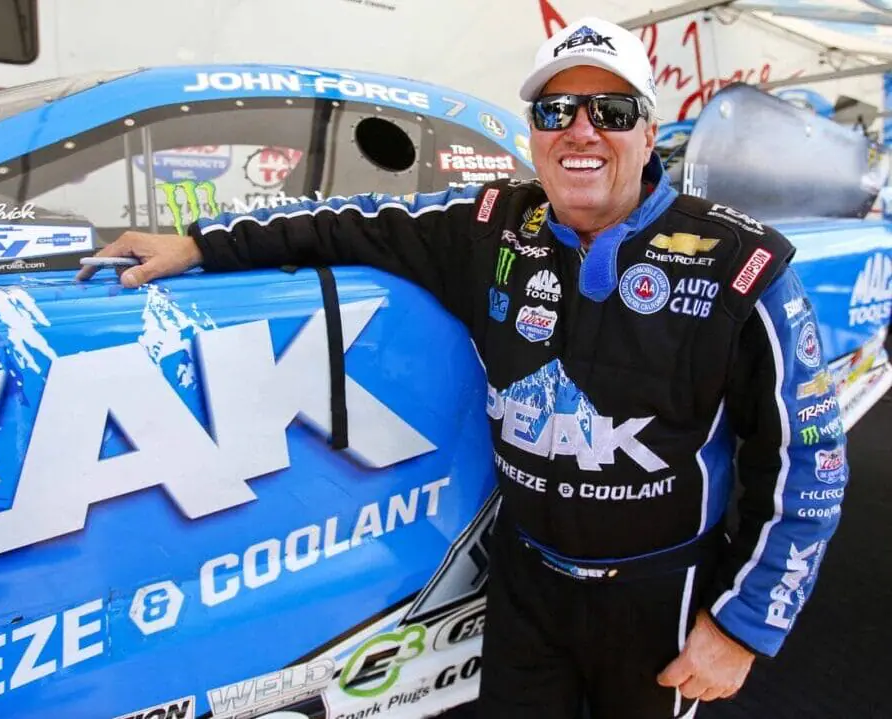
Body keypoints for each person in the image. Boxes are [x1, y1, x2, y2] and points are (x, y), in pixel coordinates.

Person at [77, 16, 849, 718]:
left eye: (610, 112)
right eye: (555, 112)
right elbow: (344, 225)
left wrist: (744, 625)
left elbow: (810, 462)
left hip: (661, 594)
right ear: (535, 134)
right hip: (526, 584)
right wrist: (201, 242)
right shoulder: (489, 225)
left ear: (648, 134)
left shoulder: (741, 261)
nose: (581, 131)